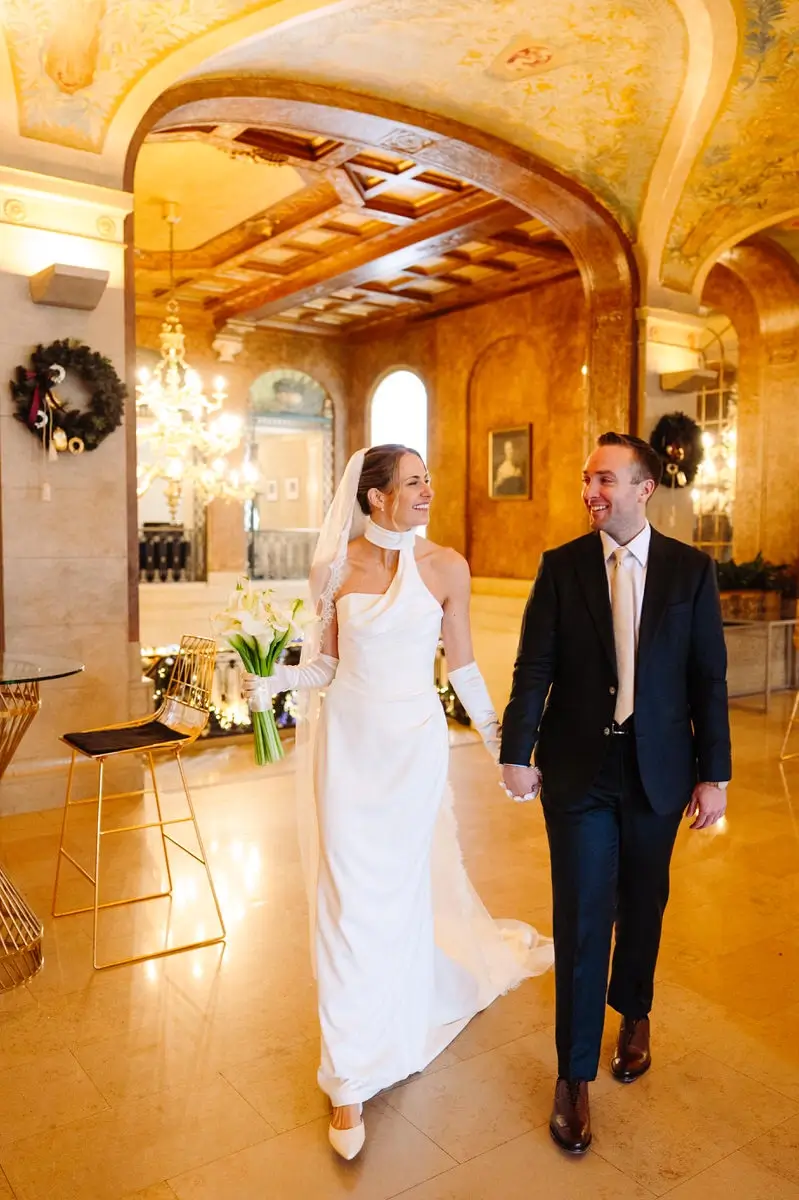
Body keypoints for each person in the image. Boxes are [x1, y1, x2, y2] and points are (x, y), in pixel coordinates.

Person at [244, 445, 553, 1161]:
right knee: (349, 901)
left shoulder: (446, 567)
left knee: (400, 894)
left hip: (413, 755)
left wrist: (499, 741)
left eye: (426, 480)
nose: (427, 491)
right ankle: (348, 1075)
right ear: (376, 496)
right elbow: (325, 663)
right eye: (413, 482)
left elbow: (463, 663)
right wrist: (277, 682)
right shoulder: (332, 570)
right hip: (348, 753)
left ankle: (401, 1015)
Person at [499, 432, 731, 1155]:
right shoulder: (561, 567)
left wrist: (713, 773)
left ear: (642, 488)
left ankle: (632, 1010)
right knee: (579, 915)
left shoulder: (690, 572)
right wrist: (515, 751)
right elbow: (532, 666)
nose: (590, 491)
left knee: (644, 901)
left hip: (659, 767)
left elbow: (707, 679)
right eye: (585, 479)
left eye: (603, 479)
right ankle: (572, 1076)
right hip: (577, 771)